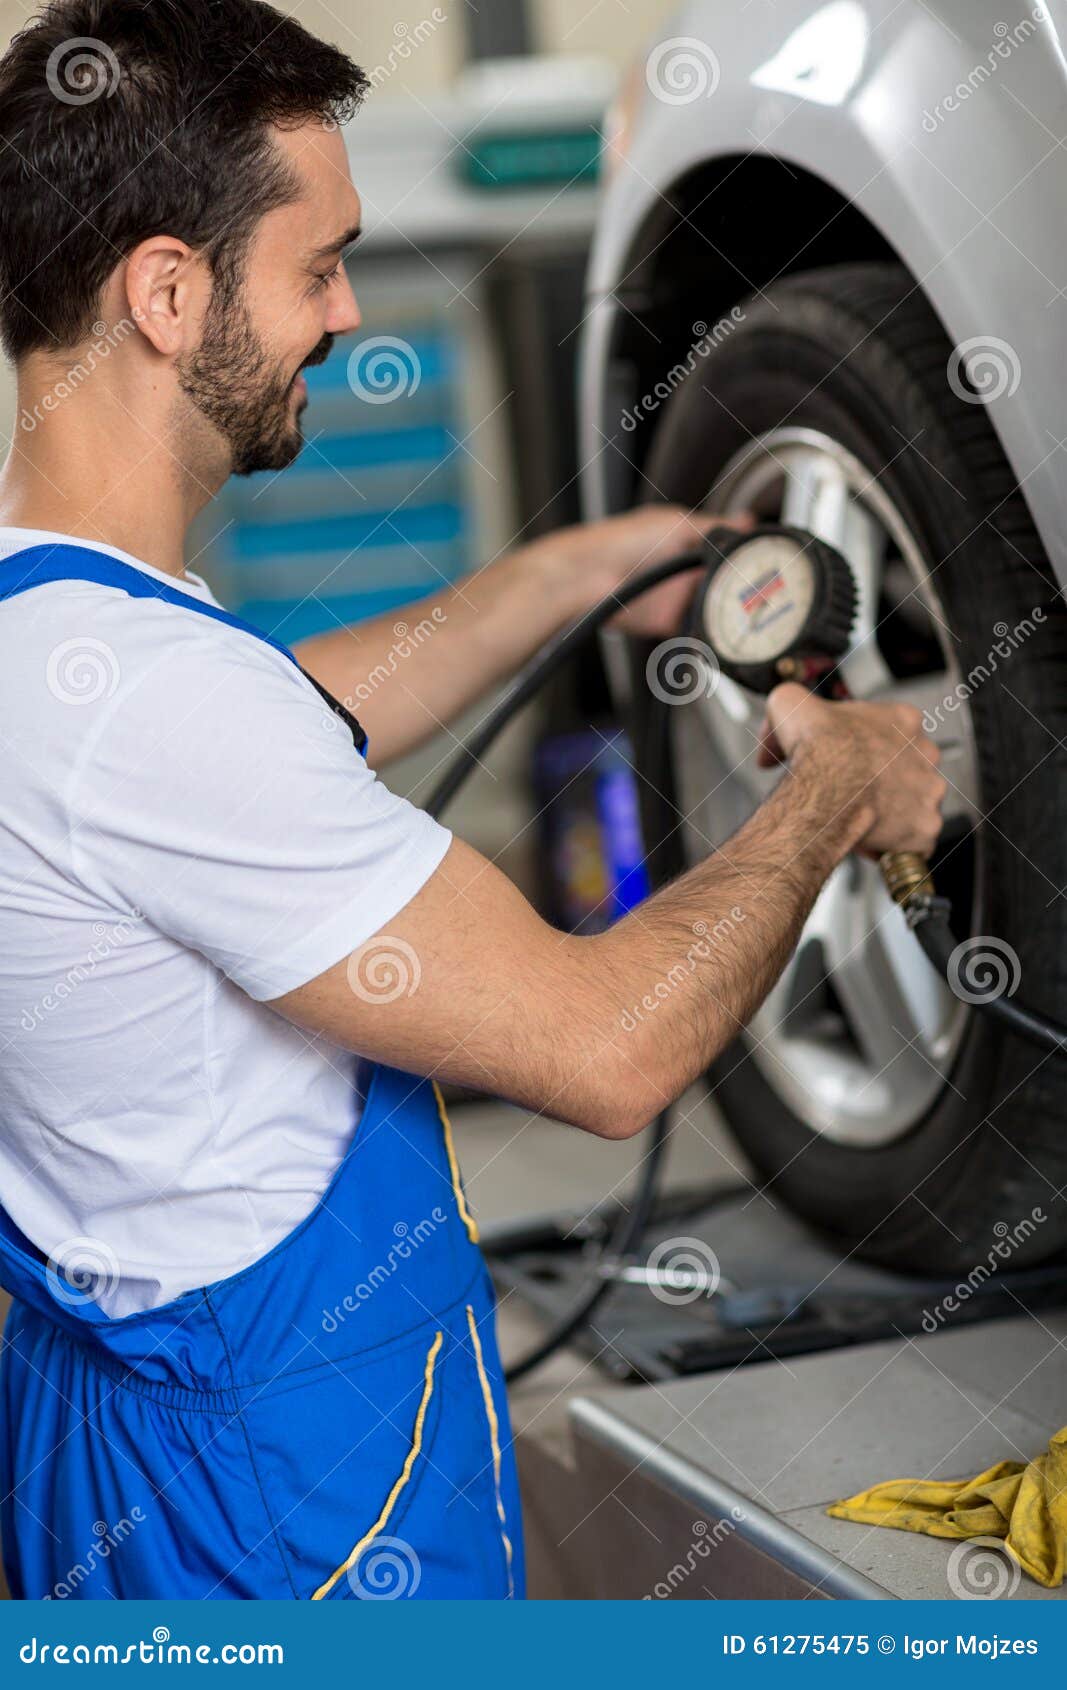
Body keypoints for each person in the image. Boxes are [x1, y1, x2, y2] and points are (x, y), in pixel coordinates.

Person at [0, 0, 945, 1601]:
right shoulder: (160, 711)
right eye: (318, 266)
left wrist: (577, 574)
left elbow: (289, 717)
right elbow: (607, 1049)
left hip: (108, 1441)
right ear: (166, 293)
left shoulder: (56, 631)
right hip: (284, 1508)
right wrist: (836, 795)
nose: (343, 311)